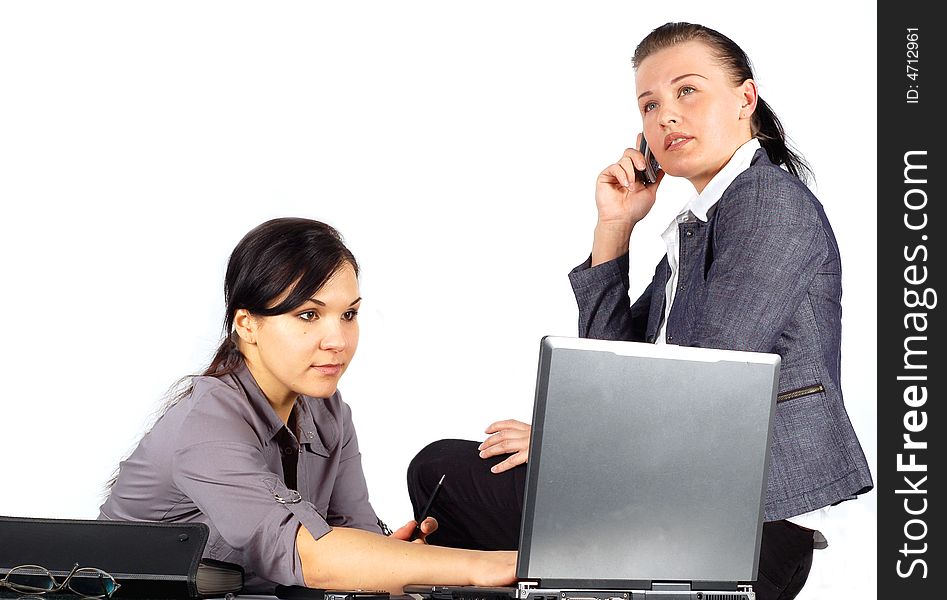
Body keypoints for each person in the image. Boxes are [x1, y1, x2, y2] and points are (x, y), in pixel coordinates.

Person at [407, 22, 872, 600]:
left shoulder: (766, 202)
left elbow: (705, 380)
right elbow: (614, 367)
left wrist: (565, 445)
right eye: (649, 105)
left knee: (441, 473)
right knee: (448, 487)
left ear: (745, 100)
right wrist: (616, 226)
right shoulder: (705, 223)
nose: (666, 117)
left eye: (687, 91)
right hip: (684, 504)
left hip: (749, 529)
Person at [99, 217, 516, 594]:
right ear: (247, 325)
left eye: (348, 315)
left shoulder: (328, 411)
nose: (337, 341)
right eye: (308, 315)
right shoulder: (206, 423)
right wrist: (489, 565)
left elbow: (354, 532)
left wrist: (392, 559)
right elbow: (313, 558)